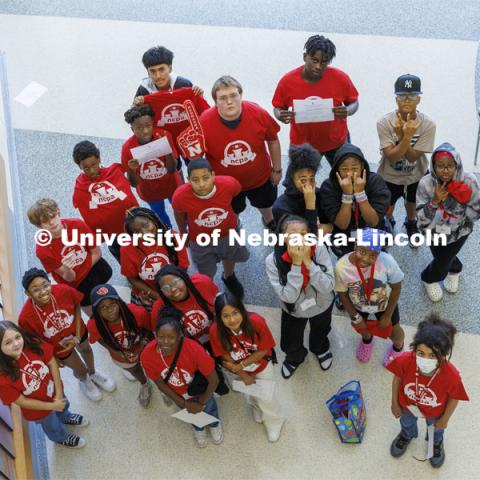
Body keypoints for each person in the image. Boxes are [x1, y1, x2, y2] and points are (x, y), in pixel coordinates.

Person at [18, 268, 115, 402]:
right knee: (79, 368)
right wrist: (52, 358)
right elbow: (35, 341)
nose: (43, 291)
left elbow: (76, 305)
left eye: (45, 285)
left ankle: (93, 373)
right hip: (58, 347)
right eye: (35, 289)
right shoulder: (25, 317)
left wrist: (77, 334)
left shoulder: (63, 290)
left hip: (78, 332)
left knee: (87, 350)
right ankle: (84, 379)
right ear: (28, 293)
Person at [200, 75, 282, 231]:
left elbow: (272, 140)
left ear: (241, 95)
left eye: (233, 95)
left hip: (260, 178)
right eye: (223, 98)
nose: (229, 101)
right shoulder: (204, 122)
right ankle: (233, 224)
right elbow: (196, 156)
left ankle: (269, 221)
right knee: (232, 209)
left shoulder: (258, 113)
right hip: (224, 183)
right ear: (215, 101)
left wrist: (277, 169)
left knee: (266, 203)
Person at [388, 313, 469, 468]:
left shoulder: (451, 375)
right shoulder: (406, 360)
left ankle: (436, 443)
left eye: (433, 355)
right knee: (406, 422)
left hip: (436, 411)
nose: (426, 359)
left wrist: (445, 419)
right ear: (414, 348)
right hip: (407, 405)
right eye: (421, 353)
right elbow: (397, 378)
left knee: (436, 430)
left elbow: (454, 398)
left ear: (444, 354)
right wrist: (394, 402)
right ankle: (406, 435)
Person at [140, 308, 224, 448]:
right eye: (160, 337)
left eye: (171, 337)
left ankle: (214, 423)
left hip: (199, 391)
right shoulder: (147, 355)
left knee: (210, 408)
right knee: (191, 413)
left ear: (180, 335)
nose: (165, 342)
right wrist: (186, 404)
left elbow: (213, 380)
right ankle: (198, 428)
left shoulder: (194, 349)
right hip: (177, 393)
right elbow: (160, 383)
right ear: (155, 335)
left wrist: (201, 402)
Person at [272, 35, 359, 167]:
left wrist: (348, 110)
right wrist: (280, 115)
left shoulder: (340, 78)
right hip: (303, 145)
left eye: (324, 62)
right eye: (314, 60)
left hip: (337, 141)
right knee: (298, 183)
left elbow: (354, 102)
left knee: (345, 180)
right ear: (305, 56)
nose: (318, 66)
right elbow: (278, 107)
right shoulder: (288, 81)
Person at [265, 215, 334, 378]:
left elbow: (328, 286)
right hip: (294, 309)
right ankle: (295, 357)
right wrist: (296, 265)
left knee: (321, 328)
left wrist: (308, 262)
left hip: (322, 303)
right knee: (291, 338)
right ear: (283, 238)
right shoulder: (273, 260)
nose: (299, 239)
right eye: (293, 234)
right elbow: (288, 297)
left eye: (304, 234)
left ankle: (320, 348)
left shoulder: (319, 249)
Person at [0, 321, 88, 448]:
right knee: (52, 425)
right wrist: (52, 405)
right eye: (8, 342)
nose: (16, 344)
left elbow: (52, 362)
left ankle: (65, 416)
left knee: (63, 405)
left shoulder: (33, 344)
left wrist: (58, 394)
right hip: (39, 410)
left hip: (55, 390)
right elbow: (22, 401)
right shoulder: (2, 377)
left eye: (17, 337)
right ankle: (61, 438)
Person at [210, 292, 285, 442]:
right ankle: (256, 407)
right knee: (249, 391)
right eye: (225, 316)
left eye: (235, 313)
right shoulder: (215, 331)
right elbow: (224, 355)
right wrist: (243, 374)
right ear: (219, 318)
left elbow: (264, 349)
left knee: (267, 396)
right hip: (238, 370)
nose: (232, 319)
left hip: (261, 365)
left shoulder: (256, 322)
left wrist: (242, 365)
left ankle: (274, 422)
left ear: (242, 310)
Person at [172, 158, 249, 298]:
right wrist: (183, 233)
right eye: (195, 180)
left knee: (229, 255)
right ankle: (207, 286)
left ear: (213, 175)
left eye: (205, 178)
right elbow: (178, 213)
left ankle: (229, 276)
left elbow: (237, 193)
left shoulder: (228, 184)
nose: (201, 184)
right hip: (200, 239)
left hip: (228, 233)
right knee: (205, 269)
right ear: (188, 179)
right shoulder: (180, 196)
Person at [377, 74, 436, 245]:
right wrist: (406, 136)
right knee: (388, 202)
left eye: (412, 96)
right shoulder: (384, 122)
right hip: (389, 174)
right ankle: (388, 222)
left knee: (412, 201)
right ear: (396, 99)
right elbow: (392, 156)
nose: (407, 100)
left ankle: (411, 223)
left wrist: (403, 135)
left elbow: (412, 156)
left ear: (419, 99)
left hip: (416, 173)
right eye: (402, 96)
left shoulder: (428, 124)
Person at [27, 197, 112, 316]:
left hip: (94, 267)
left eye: (53, 216)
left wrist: (82, 269)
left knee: (106, 297)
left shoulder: (77, 225)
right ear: (39, 226)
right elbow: (71, 278)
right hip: (77, 283)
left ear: (58, 212)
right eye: (46, 221)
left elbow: (97, 253)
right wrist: (67, 268)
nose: (52, 222)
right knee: (94, 315)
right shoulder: (43, 250)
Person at [417, 142, 480, 302]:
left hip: (460, 231)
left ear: (457, 164)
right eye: (440, 165)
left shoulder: (469, 181)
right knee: (443, 259)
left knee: (444, 259)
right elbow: (421, 217)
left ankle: (436, 274)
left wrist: (462, 205)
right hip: (433, 232)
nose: (445, 170)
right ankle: (433, 276)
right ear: (433, 165)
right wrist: (434, 202)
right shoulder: (425, 183)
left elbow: (477, 210)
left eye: (450, 165)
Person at [152, 265, 229, 395]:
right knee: (209, 373)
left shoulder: (202, 283)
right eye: (166, 288)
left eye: (175, 282)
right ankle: (219, 386)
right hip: (192, 348)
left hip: (216, 334)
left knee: (225, 360)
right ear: (161, 292)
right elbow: (161, 338)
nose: (173, 289)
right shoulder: (159, 309)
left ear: (184, 278)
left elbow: (221, 304)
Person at [334, 228, 405, 366]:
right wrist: (356, 317)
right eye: (362, 251)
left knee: (395, 332)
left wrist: (387, 316)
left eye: (373, 255)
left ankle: (398, 347)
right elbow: (342, 294)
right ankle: (367, 340)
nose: (366, 258)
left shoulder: (387, 261)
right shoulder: (341, 267)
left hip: (384, 305)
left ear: (379, 254)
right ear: (355, 245)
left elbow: (397, 287)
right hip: (358, 305)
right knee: (363, 328)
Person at [72, 141, 138, 263]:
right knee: (124, 260)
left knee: (142, 251)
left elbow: (133, 185)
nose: (91, 171)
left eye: (94, 164)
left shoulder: (115, 171)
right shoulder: (80, 186)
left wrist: (132, 171)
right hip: (112, 236)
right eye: (86, 168)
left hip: (133, 225)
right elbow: (82, 205)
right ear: (79, 167)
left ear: (99, 159)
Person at [319, 143, 390, 257]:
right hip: (344, 235)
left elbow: (373, 222)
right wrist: (347, 195)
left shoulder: (375, 182)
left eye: (354, 168)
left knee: (371, 260)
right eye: (344, 169)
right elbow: (342, 224)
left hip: (369, 232)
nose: (350, 174)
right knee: (348, 265)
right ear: (336, 168)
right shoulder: (329, 187)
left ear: (362, 166)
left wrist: (360, 194)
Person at [87, 284, 153, 408]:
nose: (109, 310)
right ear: (96, 311)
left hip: (145, 347)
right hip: (121, 355)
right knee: (134, 370)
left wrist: (141, 347)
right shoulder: (93, 325)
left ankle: (162, 386)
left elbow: (149, 330)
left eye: (112, 304)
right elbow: (100, 340)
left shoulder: (136, 312)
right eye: (103, 307)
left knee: (155, 366)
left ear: (119, 302)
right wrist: (119, 353)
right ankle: (145, 383)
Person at [121, 105, 182, 228]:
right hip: (149, 191)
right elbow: (133, 183)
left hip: (172, 185)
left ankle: (185, 233)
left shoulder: (164, 135)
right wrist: (132, 171)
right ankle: (168, 234)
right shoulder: (127, 148)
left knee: (180, 210)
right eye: (139, 128)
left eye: (148, 126)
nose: (145, 131)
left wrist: (167, 151)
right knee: (160, 217)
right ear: (132, 129)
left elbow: (172, 169)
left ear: (152, 123)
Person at [120, 207, 189, 309]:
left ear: (154, 220)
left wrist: (170, 291)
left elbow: (183, 268)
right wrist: (157, 296)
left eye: (146, 225)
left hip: (176, 286)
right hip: (150, 295)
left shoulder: (173, 237)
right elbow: (132, 278)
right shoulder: (127, 248)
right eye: (137, 232)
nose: (145, 233)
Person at [273, 143, 330, 234]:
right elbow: (309, 237)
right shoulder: (280, 207)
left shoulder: (318, 194)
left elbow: (330, 225)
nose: (308, 185)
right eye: (303, 180)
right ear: (292, 179)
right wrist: (310, 204)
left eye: (312, 179)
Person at [133, 45, 202, 99]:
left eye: (161, 69)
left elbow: (203, 112)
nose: (158, 76)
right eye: (153, 71)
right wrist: (136, 105)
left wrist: (200, 95)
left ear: (170, 68)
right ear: (148, 73)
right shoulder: (144, 90)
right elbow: (131, 115)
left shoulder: (183, 84)